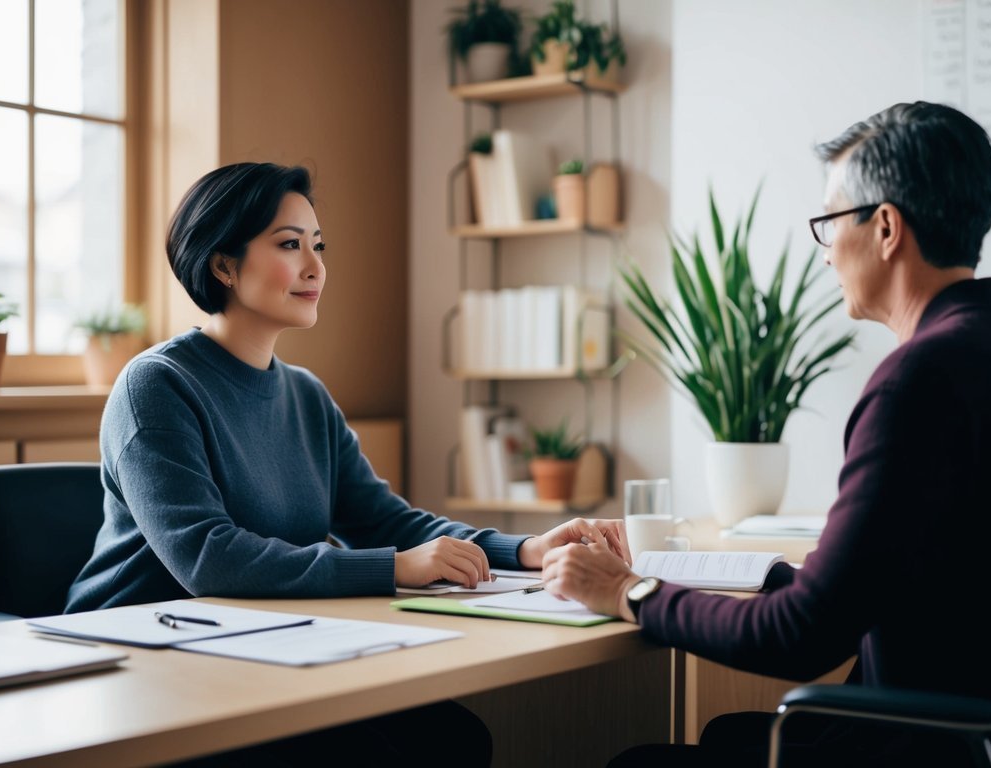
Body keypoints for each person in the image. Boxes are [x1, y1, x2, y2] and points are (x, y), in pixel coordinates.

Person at [542, 102, 991, 767]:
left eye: (828, 223)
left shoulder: (919, 378)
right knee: (720, 738)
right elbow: (898, 579)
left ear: (884, 227)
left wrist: (627, 591)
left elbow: (799, 638)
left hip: (946, 749)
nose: (824, 255)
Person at [65, 162, 630, 766]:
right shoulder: (156, 385)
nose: (315, 267)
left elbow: (384, 521)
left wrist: (522, 550)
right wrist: (393, 568)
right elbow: (208, 558)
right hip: (139, 663)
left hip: (259, 649)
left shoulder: (305, 394)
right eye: (289, 245)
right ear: (223, 266)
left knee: (456, 739)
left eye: (318, 245)